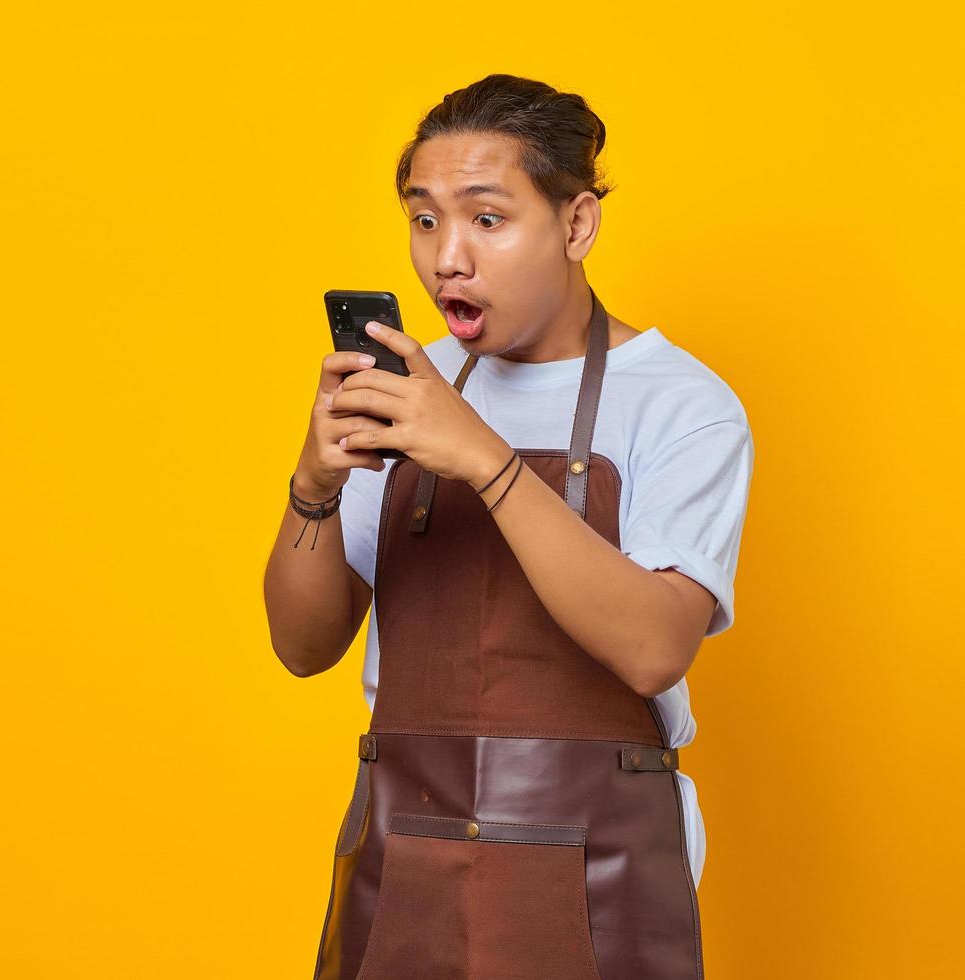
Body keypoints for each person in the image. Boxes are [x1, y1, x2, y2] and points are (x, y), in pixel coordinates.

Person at [264, 73, 754, 980]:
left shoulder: (684, 406)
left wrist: (481, 458)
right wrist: (314, 484)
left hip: (594, 877)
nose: (448, 257)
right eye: (424, 220)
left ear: (576, 226)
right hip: (400, 854)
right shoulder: (414, 388)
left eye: (486, 220)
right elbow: (302, 646)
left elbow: (654, 649)